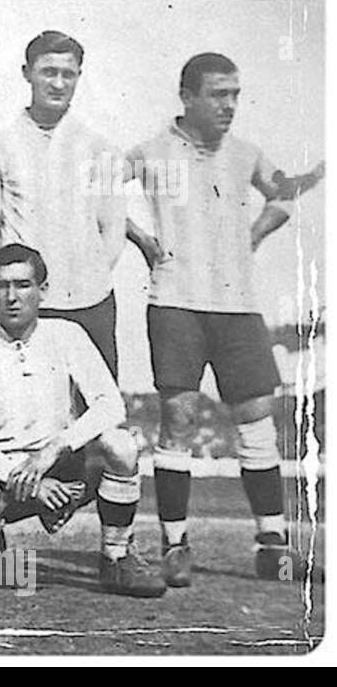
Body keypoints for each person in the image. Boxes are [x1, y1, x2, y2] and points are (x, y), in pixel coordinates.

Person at [124, 53, 325, 586]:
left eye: (235, 94)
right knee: (180, 420)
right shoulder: (150, 152)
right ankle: (174, 545)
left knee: (257, 421)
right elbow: (93, 192)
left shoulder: (246, 154)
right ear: (187, 97)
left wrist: (256, 233)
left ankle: (273, 546)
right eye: (218, 94)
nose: (230, 104)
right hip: (176, 302)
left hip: (237, 305)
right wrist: (142, 238)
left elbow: (285, 192)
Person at [0, 244, 166, 597]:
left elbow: (110, 405)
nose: (11, 297)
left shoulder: (67, 334)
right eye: (1, 286)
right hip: (5, 475)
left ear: (43, 290)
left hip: (64, 466)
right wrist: (31, 483)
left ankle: (116, 556)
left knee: (121, 444)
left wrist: (54, 449)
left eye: (23, 285)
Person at [0, 30, 126, 376]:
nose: (58, 83)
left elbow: (112, 229)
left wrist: (87, 278)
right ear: (27, 73)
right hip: (25, 306)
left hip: (90, 302)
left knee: (94, 411)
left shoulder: (100, 149)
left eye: (68, 74)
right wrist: (22, 289)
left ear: (78, 77)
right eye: (48, 72)